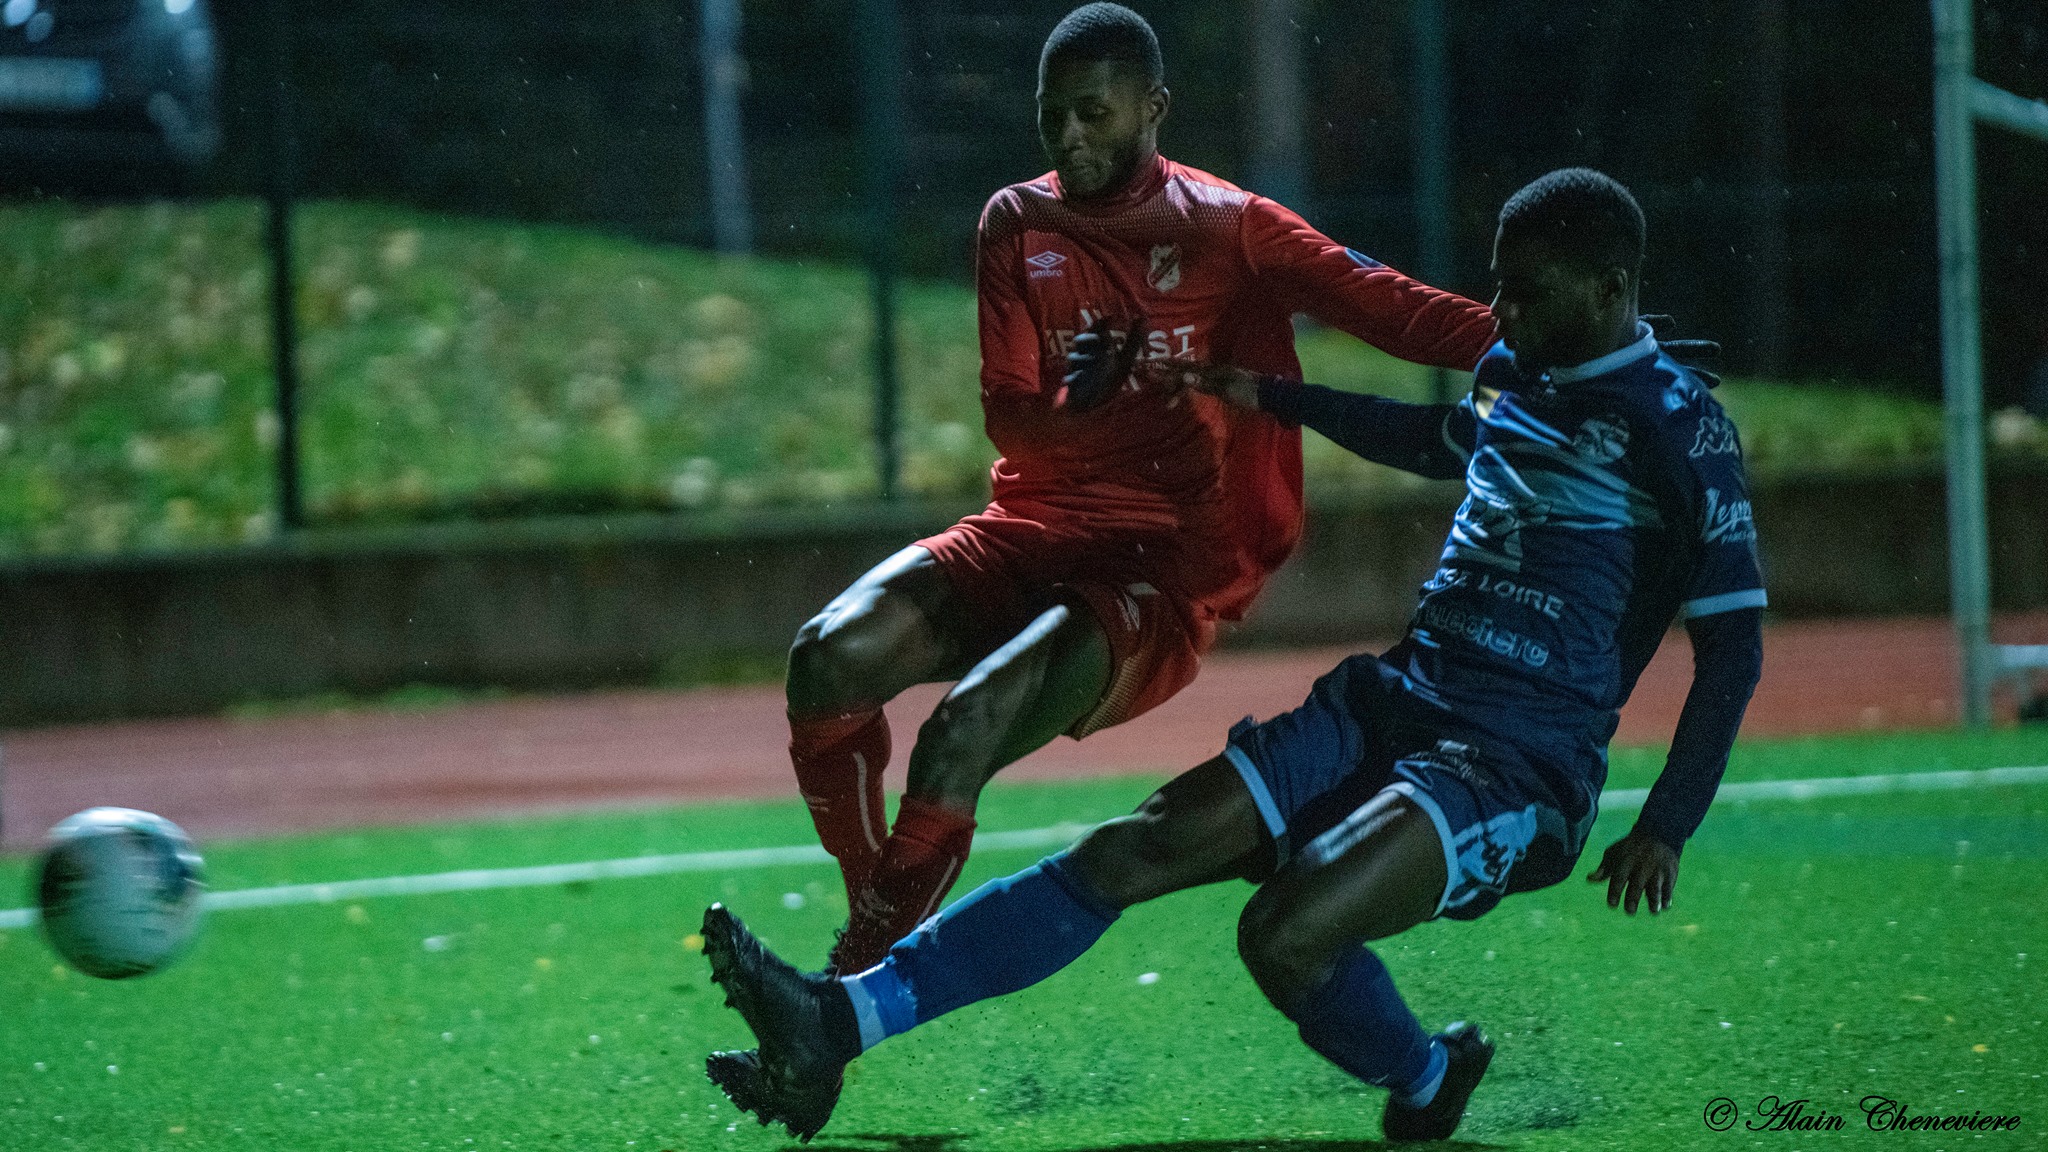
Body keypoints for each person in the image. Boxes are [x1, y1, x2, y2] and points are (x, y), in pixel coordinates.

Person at [701, 168, 1767, 1144]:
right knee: (1132, 848)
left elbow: (1730, 648)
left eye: (1527, 292)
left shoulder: (1679, 430)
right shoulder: (1516, 369)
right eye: (1496, 287)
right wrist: (1247, 388)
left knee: (1284, 930)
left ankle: (1426, 1073)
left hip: (1514, 762)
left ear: (1611, 285)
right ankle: (834, 1024)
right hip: (1395, 701)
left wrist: (1664, 823)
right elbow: (1434, 440)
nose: (1502, 314)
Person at [781, 0, 1494, 985]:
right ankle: (877, 895)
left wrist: (1575, 349)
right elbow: (1008, 417)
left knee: (962, 730)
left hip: (1161, 564)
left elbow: (1391, 310)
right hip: (1030, 525)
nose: (1068, 137)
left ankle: (838, 991)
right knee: (823, 659)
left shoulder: (1231, 229)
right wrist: (1075, 406)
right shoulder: (1014, 222)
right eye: (1051, 116)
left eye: (1093, 113)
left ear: (1152, 108)